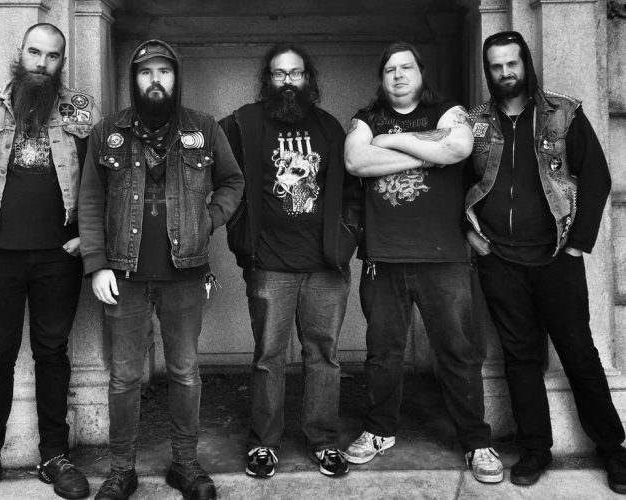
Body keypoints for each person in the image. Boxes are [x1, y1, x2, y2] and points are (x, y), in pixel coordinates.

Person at [79, 40, 243, 500]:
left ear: (176, 77)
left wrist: (208, 219)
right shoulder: (107, 132)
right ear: (133, 79)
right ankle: (121, 470)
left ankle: (185, 464)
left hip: (185, 274)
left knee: (186, 371)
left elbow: (232, 181)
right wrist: (97, 264)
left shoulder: (204, 128)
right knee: (124, 377)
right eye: (146, 72)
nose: (155, 80)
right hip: (123, 275)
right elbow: (90, 199)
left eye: (164, 72)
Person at [465, 30, 626, 493]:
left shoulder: (562, 113)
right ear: (488, 70)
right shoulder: (476, 123)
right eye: (496, 66)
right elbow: (455, 182)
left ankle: (613, 449)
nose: (504, 73)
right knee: (520, 358)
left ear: (526, 63)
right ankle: (535, 449)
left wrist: (577, 245)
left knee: (579, 353)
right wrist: (471, 236)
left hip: (557, 257)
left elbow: (596, 177)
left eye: (511, 63)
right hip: (499, 259)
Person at [343, 41, 503, 484]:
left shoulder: (448, 111)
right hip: (383, 257)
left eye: (406, 67)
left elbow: (457, 149)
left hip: (444, 256)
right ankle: (379, 431)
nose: (398, 75)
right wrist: (425, 154)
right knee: (383, 354)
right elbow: (355, 159)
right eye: (390, 69)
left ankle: (476, 441)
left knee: (458, 352)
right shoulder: (365, 118)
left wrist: (390, 143)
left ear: (420, 72)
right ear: (381, 78)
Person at [0, 23, 100, 500]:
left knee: (52, 354)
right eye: (35, 52)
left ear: (62, 61)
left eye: (52, 55)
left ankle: (55, 456)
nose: (42, 62)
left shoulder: (80, 108)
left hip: (59, 257)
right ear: (20, 53)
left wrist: (88, 238)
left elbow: (100, 180)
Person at [220, 43, 362, 479]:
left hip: (325, 266)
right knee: (269, 356)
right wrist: (237, 226)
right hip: (269, 264)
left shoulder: (328, 127)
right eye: (279, 73)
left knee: (324, 356)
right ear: (267, 79)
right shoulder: (242, 123)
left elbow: (352, 190)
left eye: (295, 73)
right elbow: (212, 166)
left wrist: (348, 237)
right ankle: (264, 443)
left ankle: (323, 441)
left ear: (308, 79)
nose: (287, 81)